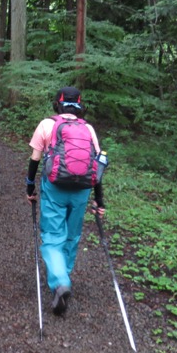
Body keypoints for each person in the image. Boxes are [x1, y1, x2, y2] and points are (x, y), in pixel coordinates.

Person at [25, 86, 105, 316]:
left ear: (57, 104)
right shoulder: (88, 128)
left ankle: (60, 282)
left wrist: (30, 187)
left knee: (52, 236)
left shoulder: (47, 124)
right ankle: (65, 275)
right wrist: (99, 201)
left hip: (55, 188)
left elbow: (35, 159)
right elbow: (96, 165)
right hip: (82, 190)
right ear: (80, 105)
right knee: (72, 235)